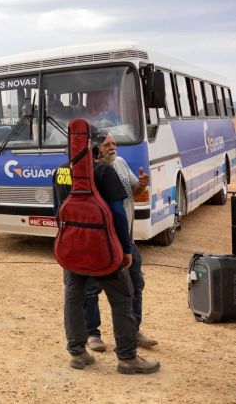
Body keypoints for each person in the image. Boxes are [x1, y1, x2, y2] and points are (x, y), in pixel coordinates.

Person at [53, 138, 160, 374]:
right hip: (103, 251)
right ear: (93, 148)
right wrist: (125, 248)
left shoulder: (60, 172)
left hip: (72, 251)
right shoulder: (103, 170)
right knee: (122, 298)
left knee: (73, 298)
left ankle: (78, 354)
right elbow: (118, 213)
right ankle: (127, 358)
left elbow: (57, 212)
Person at [85, 133, 156, 352]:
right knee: (91, 289)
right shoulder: (93, 172)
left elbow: (130, 195)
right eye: (107, 144)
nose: (112, 148)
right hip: (102, 242)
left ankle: (133, 330)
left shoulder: (122, 163)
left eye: (114, 143)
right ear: (96, 149)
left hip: (126, 239)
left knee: (136, 285)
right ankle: (92, 334)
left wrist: (142, 185)